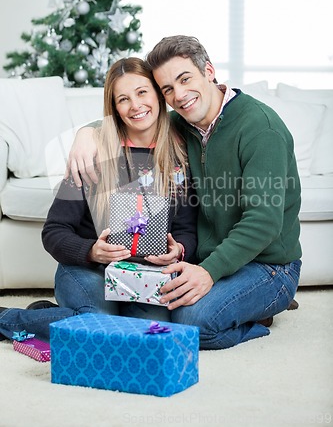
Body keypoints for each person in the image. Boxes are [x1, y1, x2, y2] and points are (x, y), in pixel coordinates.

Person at [65, 36, 302, 350]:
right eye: (167, 89)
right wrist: (87, 132)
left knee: (192, 324)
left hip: (269, 266)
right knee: (160, 313)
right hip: (209, 259)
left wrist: (207, 272)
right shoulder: (183, 123)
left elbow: (263, 222)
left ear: (209, 71)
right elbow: (136, 120)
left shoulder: (261, 128)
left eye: (185, 79)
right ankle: (239, 305)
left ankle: (263, 311)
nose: (179, 96)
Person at [0, 57, 197, 342]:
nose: (136, 106)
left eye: (142, 92)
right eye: (123, 99)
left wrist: (178, 249)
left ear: (158, 94)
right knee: (100, 326)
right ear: (114, 107)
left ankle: (46, 314)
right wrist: (92, 251)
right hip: (86, 270)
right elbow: (54, 231)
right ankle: (9, 318)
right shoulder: (90, 153)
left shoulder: (179, 157)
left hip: (145, 275)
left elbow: (187, 230)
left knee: (155, 335)